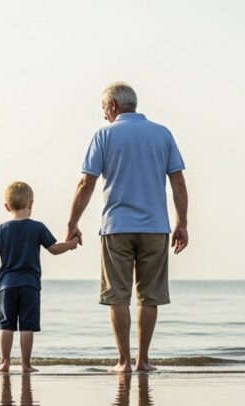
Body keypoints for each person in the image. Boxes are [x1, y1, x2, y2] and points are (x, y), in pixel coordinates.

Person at [66, 82, 189, 373]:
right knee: (150, 297)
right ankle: (143, 360)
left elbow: (86, 183)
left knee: (117, 296)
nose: (103, 115)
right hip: (155, 227)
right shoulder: (162, 133)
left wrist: (72, 223)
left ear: (112, 105)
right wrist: (181, 223)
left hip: (117, 226)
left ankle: (123, 362)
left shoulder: (104, 135)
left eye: (103, 108)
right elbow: (178, 182)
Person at [0, 181, 79, 372]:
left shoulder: (1, 229)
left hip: (7, 286)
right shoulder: (37, 227)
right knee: (27, 326)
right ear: (30, 204)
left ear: (7, 207)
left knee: (6, 325)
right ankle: (26, 364)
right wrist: (71, 244)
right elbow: (54, 249)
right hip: (30, 285)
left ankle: (4, 362)